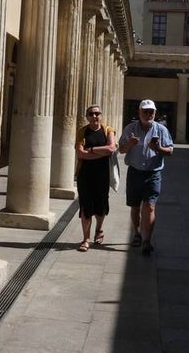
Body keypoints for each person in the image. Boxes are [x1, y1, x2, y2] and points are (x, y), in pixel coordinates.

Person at [118, 99, 174, 256]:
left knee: (149, 206)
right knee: (135, 207)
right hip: (135, 173)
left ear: (155, 113)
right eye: (145, 111)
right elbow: (121, 149)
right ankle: (136, 233)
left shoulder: (161, 130)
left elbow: (170, 151)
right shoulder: (130, 129)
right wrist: (130, 143)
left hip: (153, 173)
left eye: (151, 112)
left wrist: (158, 148)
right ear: (139, 112)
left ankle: (146, 240)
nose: (148, 114)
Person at [74, 104, 116, 252]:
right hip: (85, 174)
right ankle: (86, 239)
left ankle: (98, 230)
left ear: (101, 115)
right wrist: (101, 152)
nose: (95, 116)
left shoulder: (108, 130)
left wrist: (90, 150)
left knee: (101, 205)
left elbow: (111, 149)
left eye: (97, 113)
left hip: (102, 174)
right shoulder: (82, 132)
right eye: (91, 114)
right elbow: (80, 154)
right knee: (85, 206)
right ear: (87, 117)